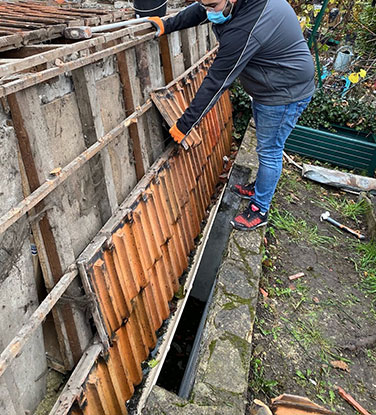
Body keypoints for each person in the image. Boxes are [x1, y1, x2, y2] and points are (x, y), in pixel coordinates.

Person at [148, 0, 315, 231]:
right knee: (267, 147)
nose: (208, 12)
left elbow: (217, 81)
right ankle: (261, 188)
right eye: (204, 4)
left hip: (284, 93)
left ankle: (260, 209)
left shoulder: (248, 26)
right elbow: (202, 10)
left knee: (270, 151)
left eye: (212, 6)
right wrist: (167, 24)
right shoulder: (232, 5)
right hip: (272, 84)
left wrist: (185, 124)